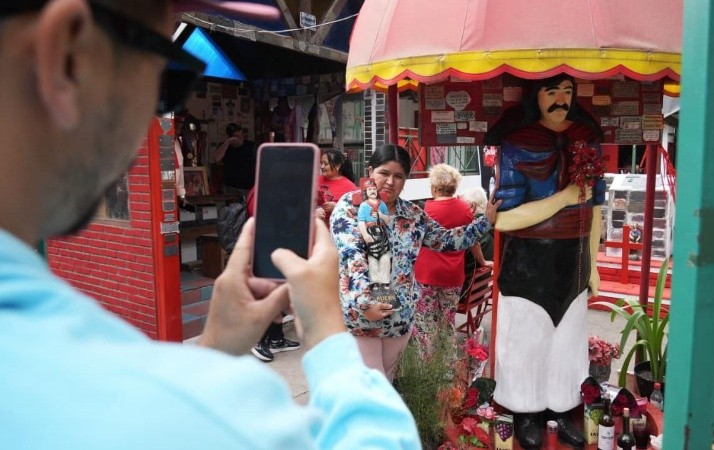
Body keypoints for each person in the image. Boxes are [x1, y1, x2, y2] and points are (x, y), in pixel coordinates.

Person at [0, 1, 421, 448]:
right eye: (170, 76)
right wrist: (327, 334)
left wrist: (213, 348)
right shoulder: (213, 416)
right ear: (68, 57)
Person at [485, 73, 606, 449]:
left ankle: (563, 407)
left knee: (568, 341)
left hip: (572, 258)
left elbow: (596, 207)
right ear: (535, 98)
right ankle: (526, 413)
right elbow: (504, 219)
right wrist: (565, 198)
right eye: (551, 92)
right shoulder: (517, 144)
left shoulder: (587, 140)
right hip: (527, 260)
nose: (560, 99)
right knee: (526, 341)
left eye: (567, 92)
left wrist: (594, 262)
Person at [329, 145, 497, 381]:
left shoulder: (412, 215)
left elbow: (446, 240)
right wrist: (364, 301)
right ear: (370, 171)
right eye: (384, 173)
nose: (390, 181)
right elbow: (352, 256)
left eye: (398, 176)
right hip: (363, 315)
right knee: (372, 385)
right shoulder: (350, 207)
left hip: (400, 317)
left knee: (388, 379)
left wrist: (484, 221)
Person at [412, 164, 483, 356]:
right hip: (453, 275)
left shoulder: (424, 209)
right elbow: (473, 241)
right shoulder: (465, 209)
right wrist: (484, 263)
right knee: (447, 320)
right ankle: (447, 364)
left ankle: (426, 365)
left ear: (434, 187)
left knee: (426, 323)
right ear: (455, 187)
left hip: (425, 274)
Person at [244, 189, 302, 362]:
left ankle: (275, 339)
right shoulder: (261, 191)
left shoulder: (277, 191)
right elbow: (264, 223)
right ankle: (258, 340)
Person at [357, 178, 392, 288]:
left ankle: (385, 282)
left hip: (381, 233)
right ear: (365, 192)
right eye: (369, 189)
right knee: (372, 258)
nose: (372, 191)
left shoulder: (382, 204)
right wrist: (365, 235)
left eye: (374, 189)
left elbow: (387, 220)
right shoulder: (363, 206)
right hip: (370, 232)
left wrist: (381, 215)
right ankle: (375, 282)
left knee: (385, 257)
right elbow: (361, 222)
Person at [458, 187, 494, 291]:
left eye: (460, 205)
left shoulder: (470, 232)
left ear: (472, 207)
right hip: (478, 292)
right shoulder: (491, 230)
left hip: (464, 293)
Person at [213, 122, 256, 197]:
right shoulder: (225, 146)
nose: (240, 138)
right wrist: (228, 142)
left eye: (241, 135)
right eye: (237, 136)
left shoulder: (250, 146)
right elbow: (217, 159)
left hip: (248, 188)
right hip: (231, 188)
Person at [316, 148, 357, 223]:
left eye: (325, 164)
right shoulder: (315, 181)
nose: (322, 167)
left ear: (337, 166)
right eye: (321, 163)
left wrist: (337, 208)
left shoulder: (350, 187)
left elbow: (357, 215)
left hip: (338, 232)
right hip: (317, 230)